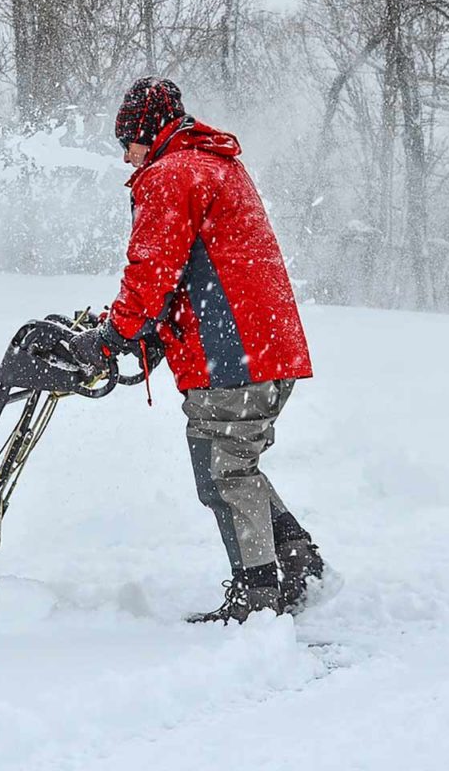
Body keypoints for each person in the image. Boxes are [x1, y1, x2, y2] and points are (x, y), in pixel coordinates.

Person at [70, 77, 327, 624]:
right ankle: (296, 556)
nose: (125, 157)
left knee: (223, 473)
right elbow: (189, 270)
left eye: (128, 143)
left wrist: (116, 334)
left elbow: (153, 269)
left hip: (234, 353)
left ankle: (257, 596)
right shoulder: (214, 164)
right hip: (259, 346)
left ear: (146, 132)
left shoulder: (172, 174)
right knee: (234, 466)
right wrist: (129, 328)